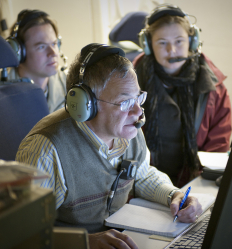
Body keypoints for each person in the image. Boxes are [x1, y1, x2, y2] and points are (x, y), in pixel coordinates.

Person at [16, 43, 202, 249]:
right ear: (86, 105)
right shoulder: (48, 149)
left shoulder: (128, 129)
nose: (138, 112)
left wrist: (173, 196)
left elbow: (142, 174)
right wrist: (85, 242)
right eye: (125, 103)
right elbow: (21, 233)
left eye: (138, 98)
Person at [134, 4, 232, 187]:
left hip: (194, 185)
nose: (172, 50)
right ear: (147, 45)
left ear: (192, 41)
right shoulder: (129, 85)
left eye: (179, 41)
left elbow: (217, 148)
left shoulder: (214, 89)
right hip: (143, 185)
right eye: (162, 42)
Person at [6, 9, 66, 113]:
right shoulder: (3, 93)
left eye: (54, 44)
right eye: (41, 47)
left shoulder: (69, 84)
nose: (53, 53)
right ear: (18, 52)